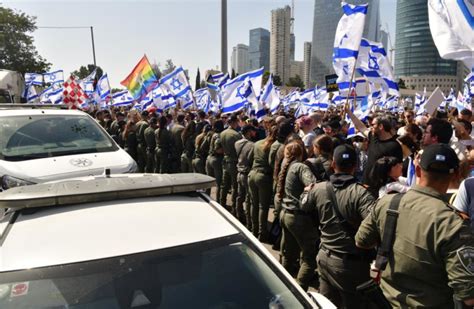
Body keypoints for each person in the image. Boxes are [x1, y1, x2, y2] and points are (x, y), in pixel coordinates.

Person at [356, 144, 474, 308]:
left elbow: (361, 241)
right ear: (455, 176)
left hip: (386, 301)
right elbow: (468, 295)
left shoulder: (388, 202)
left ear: (418, 171)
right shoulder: (454, 223)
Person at [300, 144, 376, 308]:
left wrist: (307, 190)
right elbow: (375, 224)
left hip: (324, 256)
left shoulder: (319, 188)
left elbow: (304, 205)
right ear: (355, 167)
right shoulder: (361, 193)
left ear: (333, 164)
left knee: (327, 303)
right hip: (349, 264)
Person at [278, 141, 318, 291]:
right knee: (309, 257)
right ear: (301, 153)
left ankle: (283, 285)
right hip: (298, 216)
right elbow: (312, 185)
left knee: (288, 253)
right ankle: (299, 291)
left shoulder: (284, 165)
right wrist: (307, 202)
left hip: (285, 213)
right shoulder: (300, 167)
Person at [346, 109, 403, 185]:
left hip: (382, 189)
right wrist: (349, 112)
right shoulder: (373, 138)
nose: (370, 127)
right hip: (367, 185)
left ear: (381, 126)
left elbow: (398, 169)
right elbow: (361, 127)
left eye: (373, 125)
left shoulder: (395, 146)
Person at [248, 127, 277, 241]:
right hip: (264, 176)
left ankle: (254, 229)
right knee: (263, 207)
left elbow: (250, 159)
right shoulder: (274, 146)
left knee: (253, 204)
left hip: (252, 174)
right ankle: (262, 233)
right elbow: (273, 164)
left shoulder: (257, 143)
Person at [234, 124, 257, 226]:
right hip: (246, 173)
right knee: (248, 199)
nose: (254, 133)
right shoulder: (252, 145)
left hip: (239, 172)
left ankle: (238, 216)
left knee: (240, 196)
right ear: (248, 132)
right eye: (252, 131)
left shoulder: (237, 143)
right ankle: (249, 222)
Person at [219, 114, 242, 214]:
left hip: (225, 160)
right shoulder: (236, 135)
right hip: (233, 162)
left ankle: (221, 203)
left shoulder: (222, 133)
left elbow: (219, 147)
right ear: (233, 122)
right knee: (234, 186)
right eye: (237, 122)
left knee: (224, 185)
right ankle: (234, 208)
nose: (237, 124)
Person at [206, 120, 225, 202]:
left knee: (208, 182)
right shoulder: (218, 136)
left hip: (209, 158)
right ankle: (218, 201)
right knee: (219, 183)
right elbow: (217, 149)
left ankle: (206, 198)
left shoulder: (212, 134)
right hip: (216, 159)